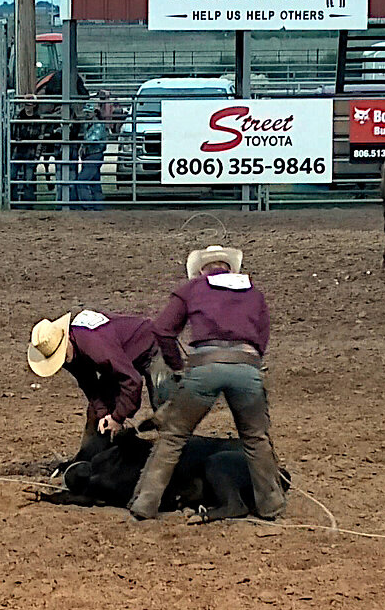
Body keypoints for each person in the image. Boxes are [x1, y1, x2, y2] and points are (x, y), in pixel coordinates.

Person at [128, 245, 287, 521]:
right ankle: (270, 504)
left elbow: (162, 329)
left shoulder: (192, 289)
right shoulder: (254, 293)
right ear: (229, 267)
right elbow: (262, 335)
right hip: (247, 367)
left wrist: (177, 365)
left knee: (174, 436)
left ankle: (145, 502)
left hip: (204, 366)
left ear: (201, 270)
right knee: (255, 438)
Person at [28, 310, 171, 456]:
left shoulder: (96, 347)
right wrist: (104, 413)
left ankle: (174, 460)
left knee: (166, 413)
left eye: (62, 356)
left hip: (154, 347)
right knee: (95, 414)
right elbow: (89, 385)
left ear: (67, 341)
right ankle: (90, 460)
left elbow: (132, 381)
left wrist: (117, 417)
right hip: (122, 356)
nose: (62, 362)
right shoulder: (71, 354)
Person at [70, 99, 108, 210]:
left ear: (95, 112)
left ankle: (87, 205)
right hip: (91, 155)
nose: (86, 115)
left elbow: (93, 139)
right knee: (94, 181)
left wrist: (82, 142)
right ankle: (98, 205)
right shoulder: (90, 124)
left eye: (88, 112)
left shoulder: (98, 125)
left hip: (94, 155)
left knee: (82, 181)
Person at [11, 95, 42, 206]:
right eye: (26, 104)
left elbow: (40, 138)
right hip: (18, 150)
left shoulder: (37, 119)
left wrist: (37, 155)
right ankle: (13, 202)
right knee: (12, 176)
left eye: (29, 104)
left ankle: (28, 203)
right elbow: (12, 133)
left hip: (30, 152)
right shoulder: (18, 117)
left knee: (29, 178)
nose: (27, 107)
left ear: (34, 105)